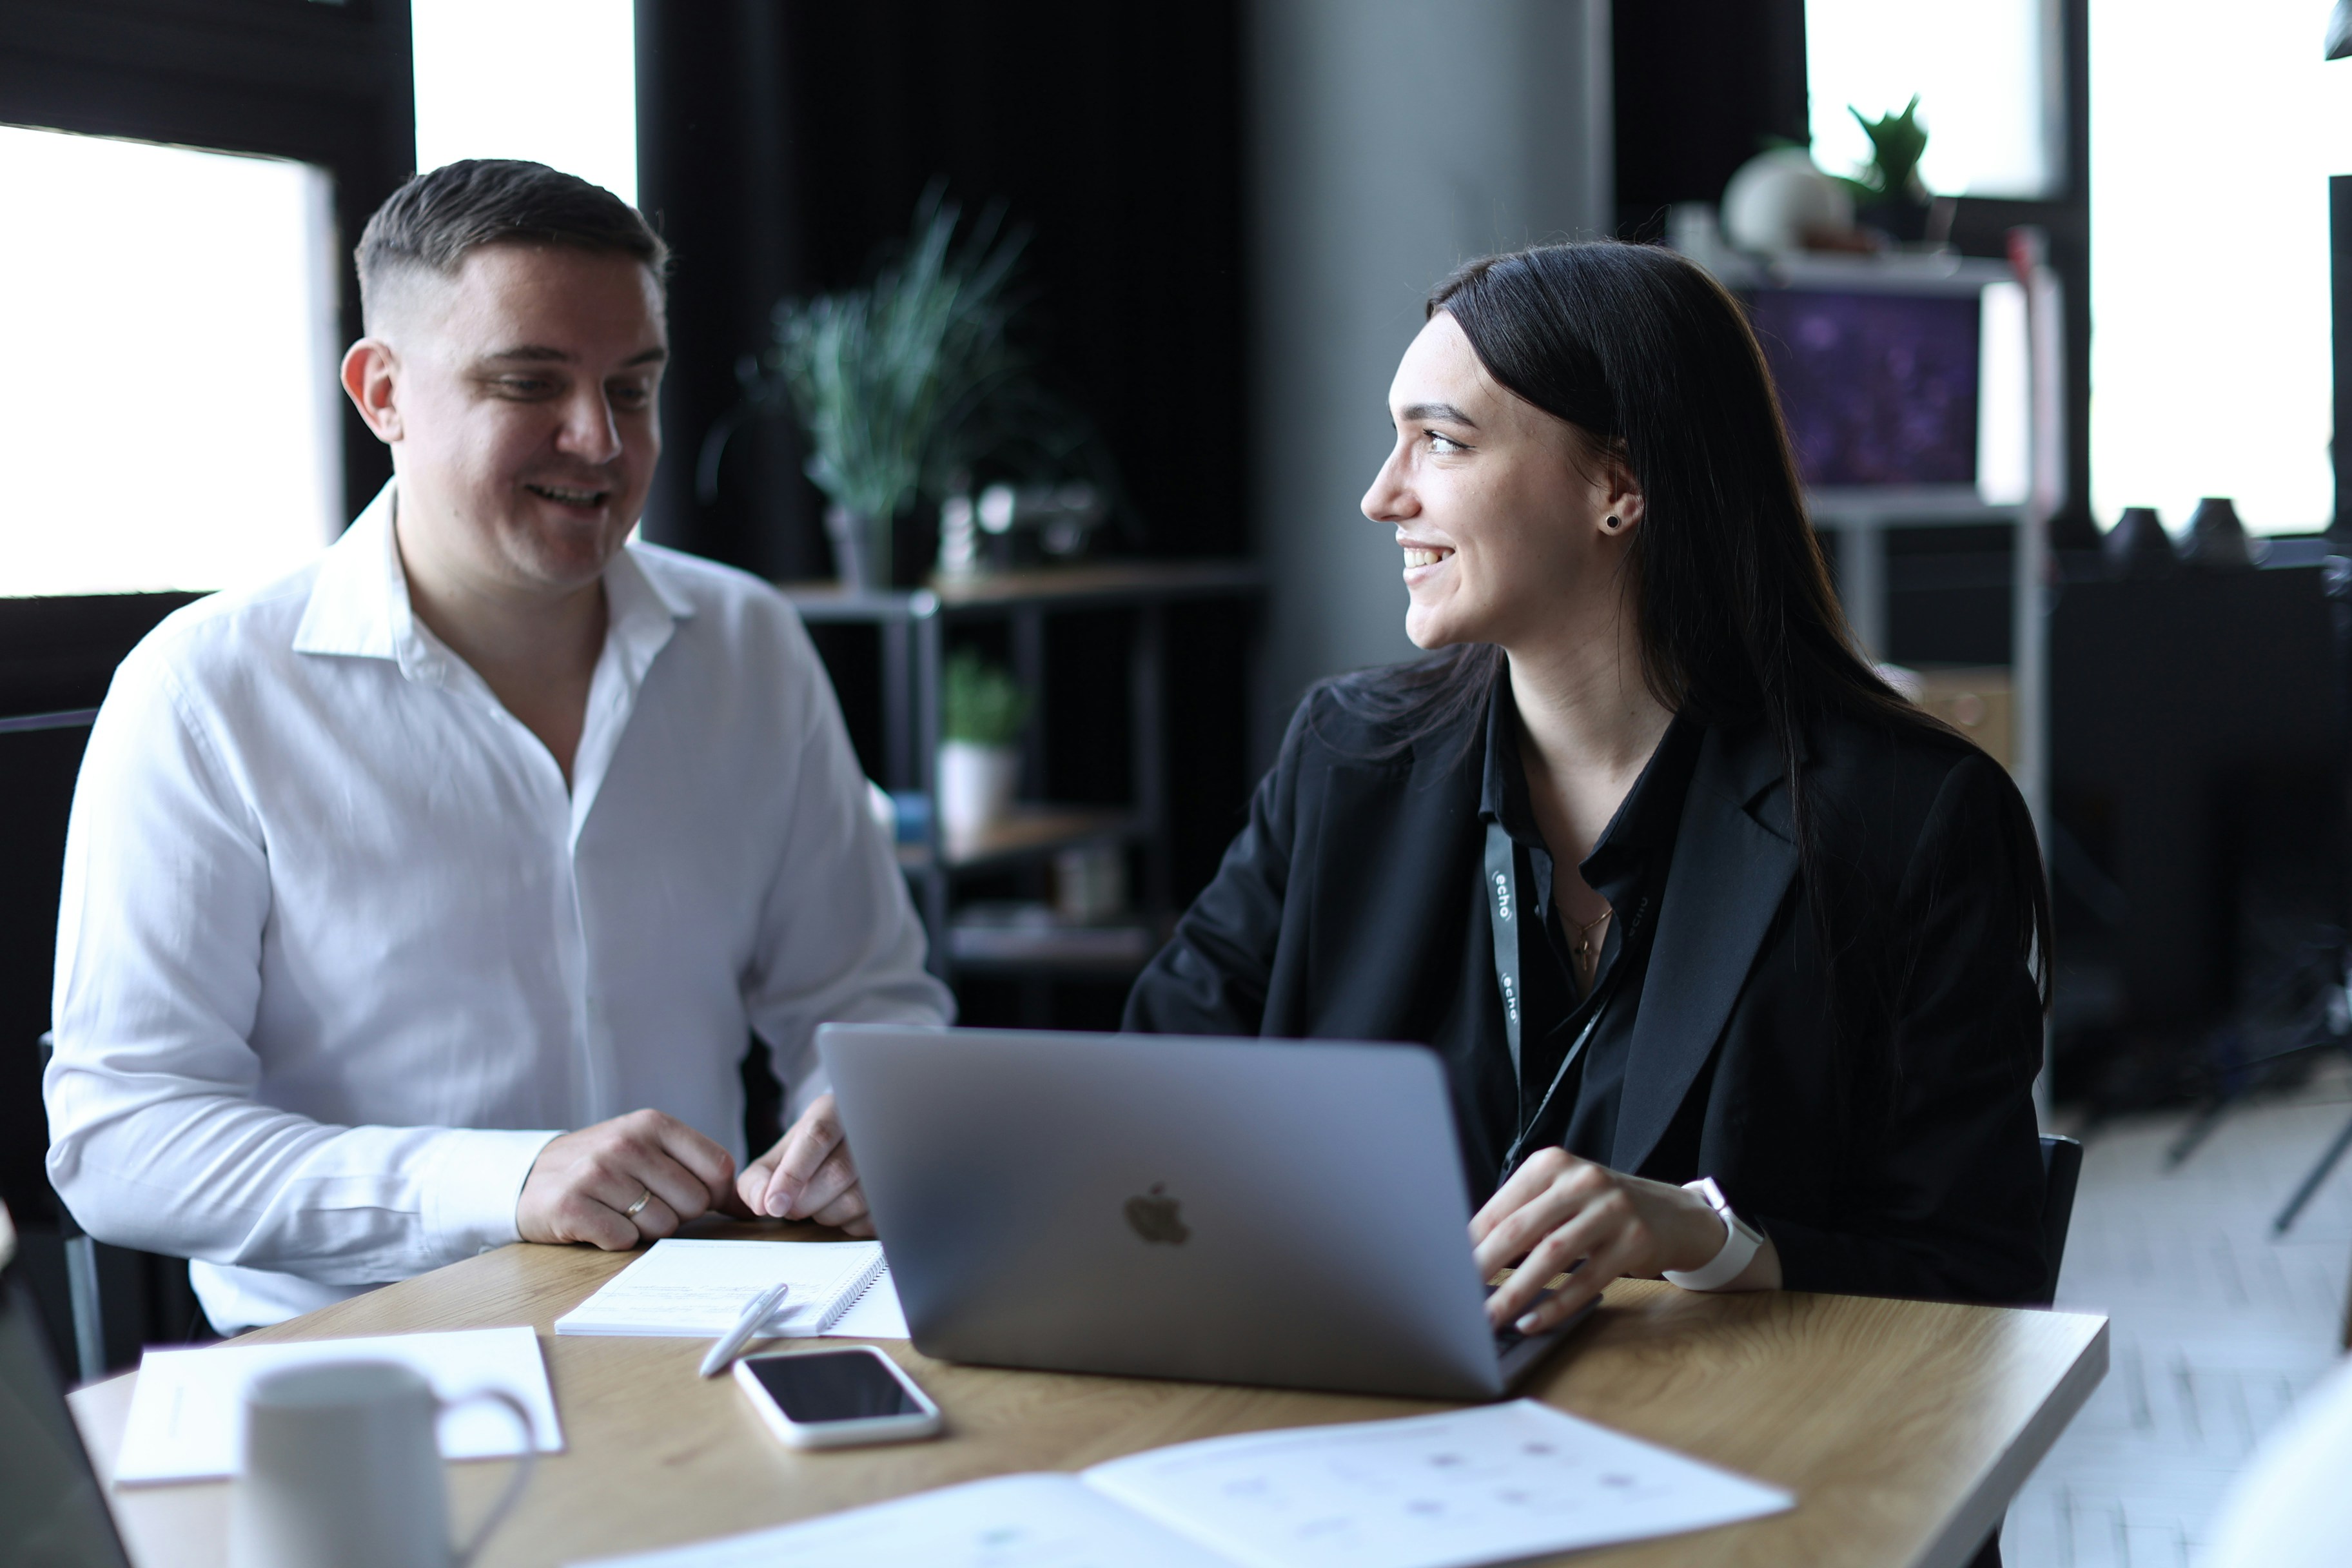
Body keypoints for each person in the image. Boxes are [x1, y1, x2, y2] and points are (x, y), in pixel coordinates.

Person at [42, 161, 949, 1332]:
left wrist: (865, 1123)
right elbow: (125, 1139)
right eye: (531, 382)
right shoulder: (204, 690)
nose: (600, 441)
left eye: (634, 387)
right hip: (363, 1355)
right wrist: (502, 1185)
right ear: (383, 394)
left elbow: (862, 997)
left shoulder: (749, 643)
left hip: (717, 1320)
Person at [1124, 240, 2051, 1337]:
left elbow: (1978, 1279)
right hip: (1362, 1431)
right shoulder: (1345, 760)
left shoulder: (1908, 822)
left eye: (1441, 441)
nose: (1382, 496)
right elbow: (1150, 1112)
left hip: (1743, 1467)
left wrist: (1708, 1240)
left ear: (1619, 486)